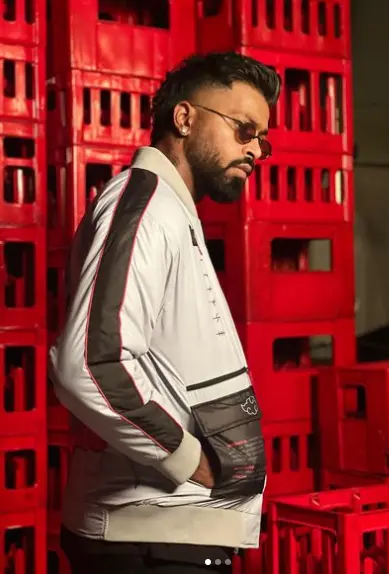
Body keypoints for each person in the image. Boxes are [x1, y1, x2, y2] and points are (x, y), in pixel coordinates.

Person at [48, 51, 281, 574]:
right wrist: (186, 457)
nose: (256, 150)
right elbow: (89, 364)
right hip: (146, 542)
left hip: (169, 536)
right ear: (184, 117)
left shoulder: (170, 209)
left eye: (262, 138)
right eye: (244, 128)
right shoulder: (144, 203)